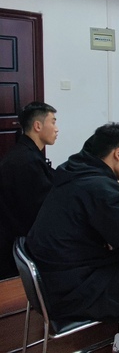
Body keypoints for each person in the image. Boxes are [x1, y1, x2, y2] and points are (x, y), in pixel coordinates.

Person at [25, 123, 119, 353]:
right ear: (118, 154)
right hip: (73, 289)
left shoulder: (73, 170)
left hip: (52, 275)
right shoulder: (99, 186)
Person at [0, 102, 58, 279]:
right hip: (18, 243)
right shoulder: (26, 162)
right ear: (38, 126)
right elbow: (42, 212)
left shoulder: (27, 153)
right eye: (53, 122)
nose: (57, 129)